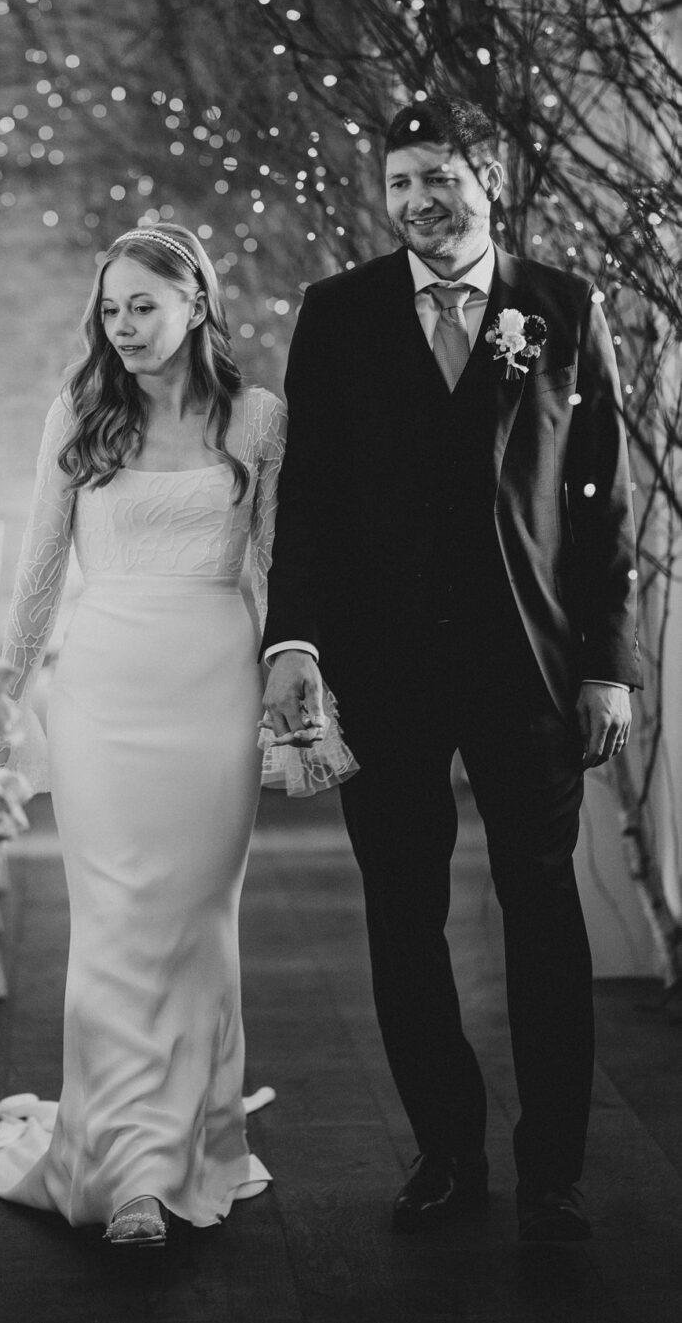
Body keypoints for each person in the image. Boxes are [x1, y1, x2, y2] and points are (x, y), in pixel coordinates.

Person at [262, 94, 640, 1245]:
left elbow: (600, 503)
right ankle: (442, 1146)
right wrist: (295, 641)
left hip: (526, 665)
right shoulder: (337, 312)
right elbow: (310, 498)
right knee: (401, 912)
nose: (420, 200)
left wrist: (605, 663)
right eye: (399, 184)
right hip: (381, 667)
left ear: (489, 175)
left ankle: (554, 1167)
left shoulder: (559, 307)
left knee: (541, 913)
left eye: (441, 176)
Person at [0, 222, 292, 1246]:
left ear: (195, 301)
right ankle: (130, 1175)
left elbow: (278, 571)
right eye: (109, 310)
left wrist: (302, 669)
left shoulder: (257, 418)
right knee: (111, 925)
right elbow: (36, 575)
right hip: (101, 694)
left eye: (141, 306)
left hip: (213, 693)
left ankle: (195, 1138)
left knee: (195, 925)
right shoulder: (79, 411)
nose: (123, 327)